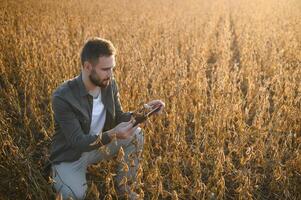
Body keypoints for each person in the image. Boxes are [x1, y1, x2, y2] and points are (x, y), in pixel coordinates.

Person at [49, 37, 165, 199]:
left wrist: (145, 111)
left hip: (99, 146)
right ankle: (59, 172)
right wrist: (112, 134)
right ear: (87, 67)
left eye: (112, 68)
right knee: (74, 195)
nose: (110, 74)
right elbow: (77, 141)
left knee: (136, 134)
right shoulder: (63, 97)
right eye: (105, 69)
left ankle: (124, 187)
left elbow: (118, 117)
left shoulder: (108, 84)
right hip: (71, 155)